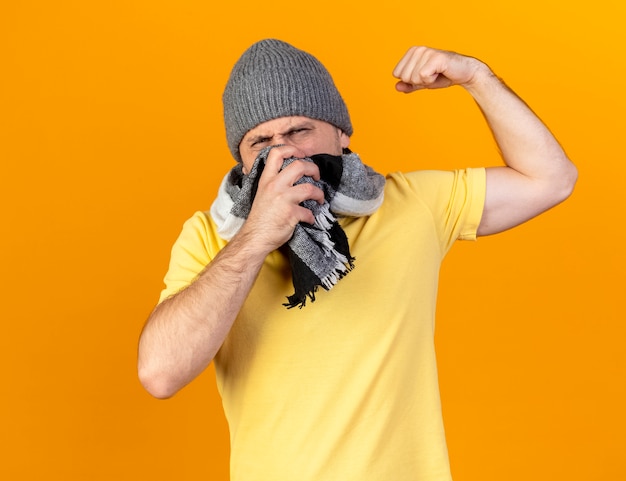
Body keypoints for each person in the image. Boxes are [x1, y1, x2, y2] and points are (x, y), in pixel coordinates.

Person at [138, 39, 577, 480]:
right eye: (261, 141)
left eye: (299, 131)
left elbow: (550, 180)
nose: (284, 152)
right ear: (242, 157)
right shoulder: (211, 238)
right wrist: (256, 236)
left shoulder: (410, 204)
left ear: (341, 133)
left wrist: (477, 78)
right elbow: (160, 374)